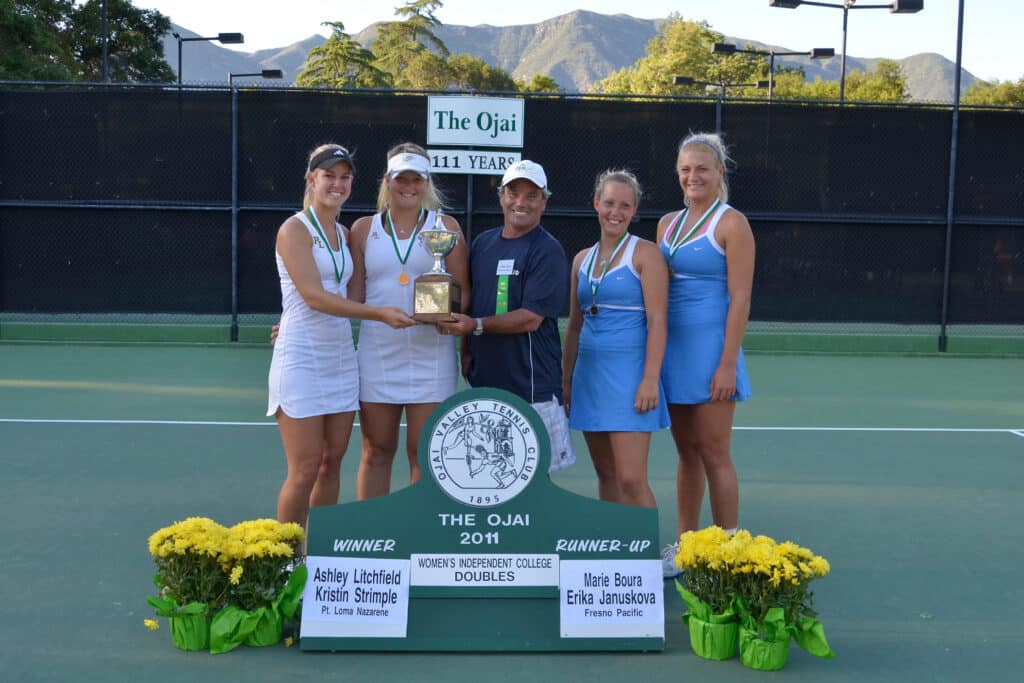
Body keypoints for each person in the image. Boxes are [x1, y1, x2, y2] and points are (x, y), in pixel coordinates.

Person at [267, 143, 416, 533]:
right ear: (311, 179)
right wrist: (380, 314)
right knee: (304, 468)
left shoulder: (344, 233)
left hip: (340, 358)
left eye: (345, 177)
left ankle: (317, 552)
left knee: (331, 463)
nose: (337, 184)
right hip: (301, 358)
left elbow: (350, 295)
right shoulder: (294, 229)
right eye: (328, 176)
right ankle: (286, 558)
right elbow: (314, 297)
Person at [657, 132, 755, 577]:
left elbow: (740, 298)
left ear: (720, 172)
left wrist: (727, 364)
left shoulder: (732, 224)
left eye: (701, 168)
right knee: (687, 453)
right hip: (674, 355)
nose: (692, 176)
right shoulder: (667, 224)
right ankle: (687, 548)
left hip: (714, 353)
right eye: (685, 169)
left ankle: (727, 555)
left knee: (715, 452)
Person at [347, 143, 470, 499]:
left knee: (424, 454)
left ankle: (417, 530)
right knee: (376, 451)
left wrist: (448, 315)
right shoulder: (363, 229)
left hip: (431, 355)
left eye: (417, 179)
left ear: (427, 183)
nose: (409, 187)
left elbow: (463, 290)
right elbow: (352, 297)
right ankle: (373, 529)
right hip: (378, 355)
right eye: (402, 178)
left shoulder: (446, 227)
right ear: (388, 180)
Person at [437, 160, 576, 472]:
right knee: (490, 475)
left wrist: (476, 326)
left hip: (531, 387)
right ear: (501, 197)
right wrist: (467, 352)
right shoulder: (482, 243)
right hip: (485, 384)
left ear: (544, 202)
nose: (520, 203)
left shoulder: (547, 250)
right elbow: (473, 302)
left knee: (534, 480)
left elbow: (531, 318)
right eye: (513, 193)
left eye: (531, 196)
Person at [562, 169, 669, 507]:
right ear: (596, 203)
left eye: (625, 205)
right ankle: (615, 540)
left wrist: (650, 380)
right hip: (589, 378)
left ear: (634, 210)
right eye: (609, 203)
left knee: (632, 479)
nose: (615, 212)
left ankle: (645, 544)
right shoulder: (581, 260)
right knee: (607, 475)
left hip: (630, 377)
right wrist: (566, 380)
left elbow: (657, 320)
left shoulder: (646, 254)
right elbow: (575, 325)